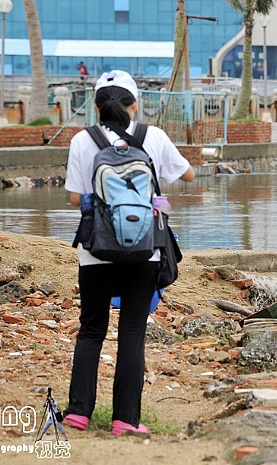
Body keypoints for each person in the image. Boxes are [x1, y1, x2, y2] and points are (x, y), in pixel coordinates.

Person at [62, 70, 195, 436]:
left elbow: (73, 197)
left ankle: (78, 413)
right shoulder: (154, 136)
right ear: (135, 104)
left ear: (96, 106)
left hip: (95, 252)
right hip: (144, 251)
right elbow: (188, 175)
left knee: (91, 330)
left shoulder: (82, 140)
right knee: (132, 332)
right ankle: (125, 420)